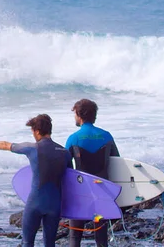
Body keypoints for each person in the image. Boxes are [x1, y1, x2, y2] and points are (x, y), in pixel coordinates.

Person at [0, 114, 71, 247]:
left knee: (27, 242)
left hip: (35, 203)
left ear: (36, 131)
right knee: (50, 243)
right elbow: (70, 180)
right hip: (55, 205)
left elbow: (5, 145)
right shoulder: (65, 152)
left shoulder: (33, 148)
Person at [65, 99, 120, 247]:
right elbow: (117, 163)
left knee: (75, 237)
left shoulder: (74, 138)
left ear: (79, 114)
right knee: (101, 238)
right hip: (101, 193)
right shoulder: (107, 136)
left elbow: (65, 167)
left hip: (80, 194)